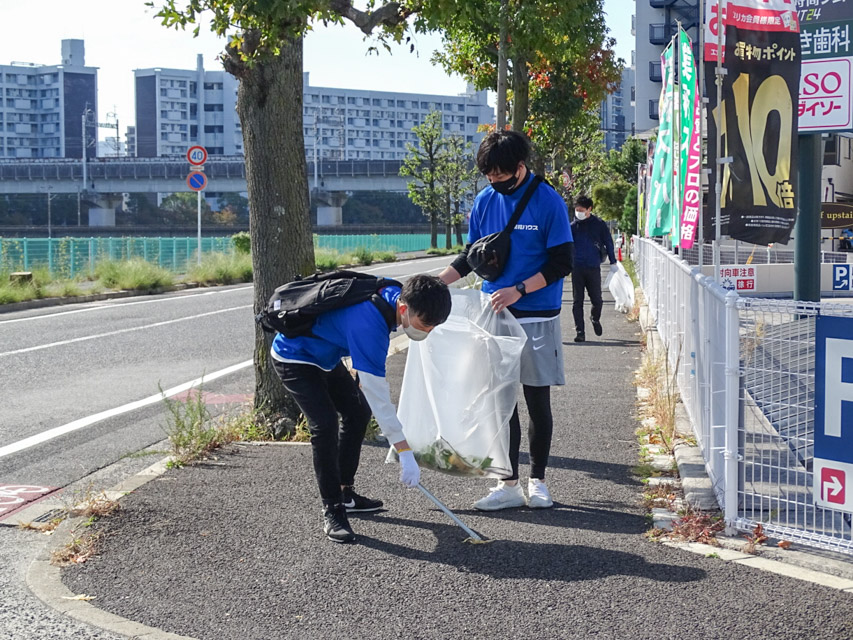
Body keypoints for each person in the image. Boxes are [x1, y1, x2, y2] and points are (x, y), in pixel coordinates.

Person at [438, 130, 573, 511]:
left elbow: (562, 261)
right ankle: (508, 483)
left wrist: (519, 289)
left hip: (536, 315)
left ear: (520, 167)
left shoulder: (548, 201)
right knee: (501, 405)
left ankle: (539, 481)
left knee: (537, 400)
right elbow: (472, 256)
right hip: (493, 314)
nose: (496, 183)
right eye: (489, 176)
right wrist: (436, 283)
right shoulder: (484, 200)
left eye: (502, 176)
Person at [271, 274, 452, 543]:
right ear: (404, 309)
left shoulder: (396, 292)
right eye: (425, 324)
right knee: (325, 426)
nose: (428, 331)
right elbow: (379, 397)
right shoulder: (370, 326)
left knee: (357, 412)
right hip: (295, 356)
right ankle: (333, 509)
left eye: (434, 326)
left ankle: (346, 493)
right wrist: (404, 450)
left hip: (326, 357)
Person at [570, 196, 617, 342]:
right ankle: (580, 332)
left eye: (581, 210)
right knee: (577, 301)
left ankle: (595, 318)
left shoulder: (599, 225)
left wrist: (613, 262)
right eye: (577, 210)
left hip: (593, 267)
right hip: (576, 268)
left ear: (589, 209)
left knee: (597, 300)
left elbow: (608, 242)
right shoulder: (572, 227)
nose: (578, 213)